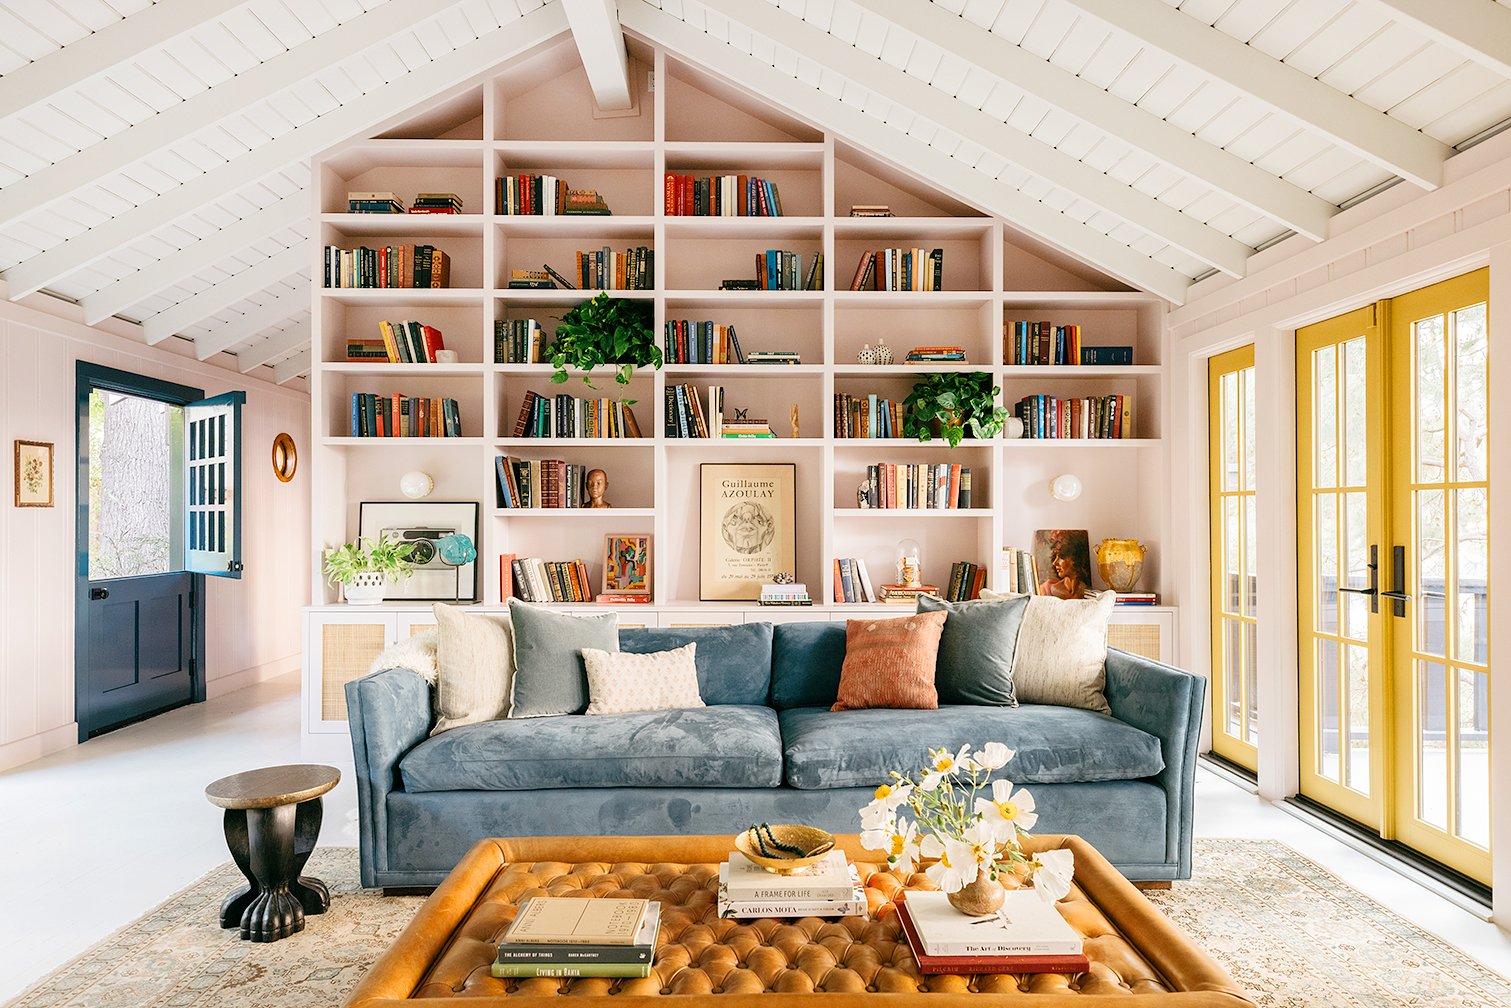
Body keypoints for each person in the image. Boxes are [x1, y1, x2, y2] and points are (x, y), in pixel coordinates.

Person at [1038, 531, 1093, 599]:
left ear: (1076, 558)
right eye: (1055, 557)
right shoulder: (1049, 590)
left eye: (1061, 557)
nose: (1055, 563)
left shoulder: (1090, 593)